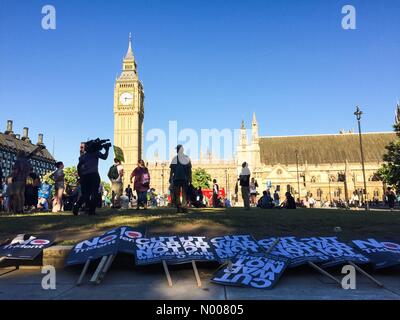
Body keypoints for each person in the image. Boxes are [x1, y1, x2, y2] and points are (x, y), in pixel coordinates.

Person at [74, 141, 110, 216]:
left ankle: (78, 205)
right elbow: (104, 157)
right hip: (94, 174)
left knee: (85, 194)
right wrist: (107, 150)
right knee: (94, 193)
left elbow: (78, 166)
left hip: (85, 176)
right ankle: (92, 211)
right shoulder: (96, 153)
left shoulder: (83, 156)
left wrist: (81, 175)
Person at [169, 144, 192, 213]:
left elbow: (189, 169)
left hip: (183, 178)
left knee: (183, 194)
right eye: (177, 149)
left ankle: (183, 207)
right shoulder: (175, 158)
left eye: (178, 149)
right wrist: (170, 177)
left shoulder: (186, 158)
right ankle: (179, 207)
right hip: (177, 179)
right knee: (177, 194)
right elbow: (172, 169)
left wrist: (190, 178)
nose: (177, 150)